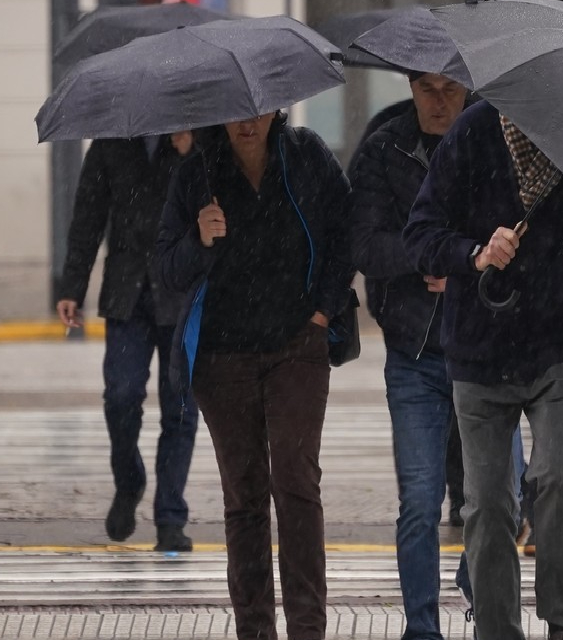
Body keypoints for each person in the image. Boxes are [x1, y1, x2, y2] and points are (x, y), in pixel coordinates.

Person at [402, 100, 563, 640]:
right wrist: (475, 253)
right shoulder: (472, 133)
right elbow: (420, 235)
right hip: (480, 349)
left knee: (561, 476)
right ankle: (497, 630)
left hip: (559, 342)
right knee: (488, 506)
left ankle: (562, 622)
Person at [156, 110, 353, 640]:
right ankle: (255, 630)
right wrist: (198, 239)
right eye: (235, 114)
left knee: (295, 481)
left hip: (296, 345)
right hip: (222, 357)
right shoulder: (196, 173)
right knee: (244, 496)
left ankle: (307, 628)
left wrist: (322, 313)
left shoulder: (306, 155)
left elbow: (344, 232)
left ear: (275, 106)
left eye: (257, 112)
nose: (247, 124)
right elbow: (166, 269)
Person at [349, 71, 529, 640]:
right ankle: (421, 628)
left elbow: (518, 234)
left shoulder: (496, 140)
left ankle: (477, 583)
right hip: (415, 350)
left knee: (503, 497)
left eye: (449, 88)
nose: (438, 101)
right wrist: (425, 257)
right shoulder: (386, 147)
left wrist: (467, 260)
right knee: (420, 503)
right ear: (409, 86)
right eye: (426, 88)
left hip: (484, 349)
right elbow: (364, 244)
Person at [56, 132, 199, 552]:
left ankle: (171, 515)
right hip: (127, 291)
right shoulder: (112, 140)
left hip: (181, 288)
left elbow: (221, 205)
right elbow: (88, 215)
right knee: (120, 396)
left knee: (181, 408)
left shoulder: (204, 137)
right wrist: (72, 285)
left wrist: (190, 156)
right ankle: (130, 480)